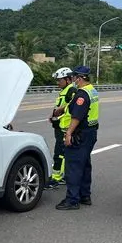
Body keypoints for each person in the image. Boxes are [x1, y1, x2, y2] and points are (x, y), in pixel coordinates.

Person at [56, 66, 99, 210]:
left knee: (73, 167)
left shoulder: (82, 95)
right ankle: (84, 196)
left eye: (74, 78)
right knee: (85, 165)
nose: (73, 80)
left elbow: (77, 116)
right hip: (91, 133)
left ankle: (72, 200)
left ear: (79, 78)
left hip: (80, 134)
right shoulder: (92, 90)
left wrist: (68, 133)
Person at [46, 67, 77, 189]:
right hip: (60, 126)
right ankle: (63, 176)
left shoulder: (71, 90)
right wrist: (52, 114)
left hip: (65, 128)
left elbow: (73, 105)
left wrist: (61, 109)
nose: (58, 82)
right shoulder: (65, 90)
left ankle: (57, 178)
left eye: (60, 80)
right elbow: (60, 106)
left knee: (60, 153)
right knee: (61, 152)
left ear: (68, 80)